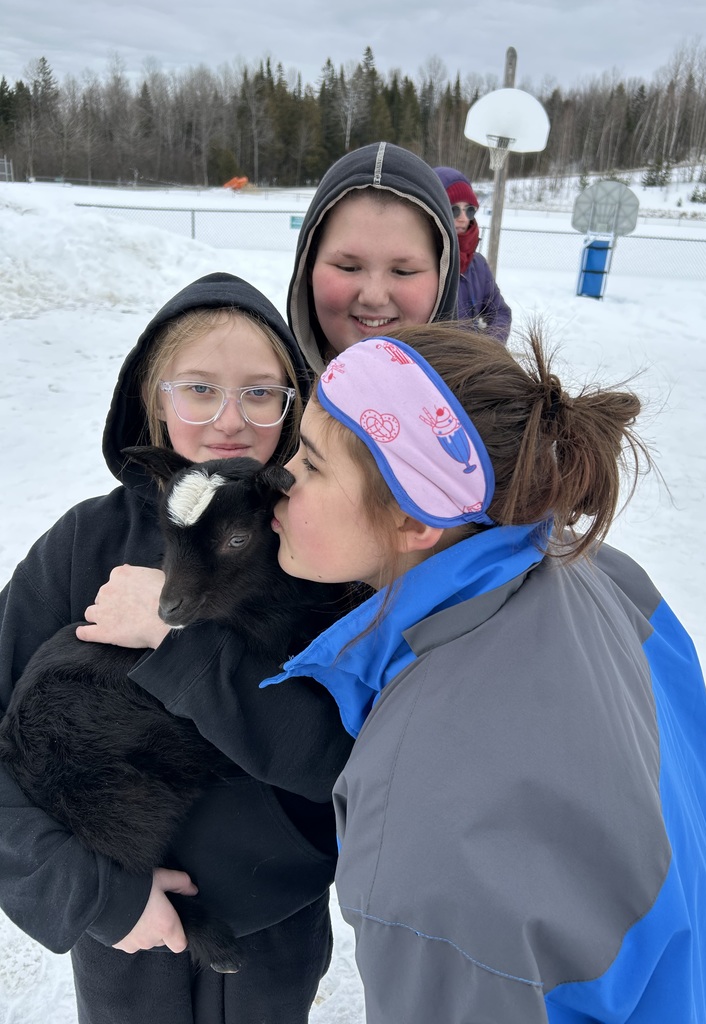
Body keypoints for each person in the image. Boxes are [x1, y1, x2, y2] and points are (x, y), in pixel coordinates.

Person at [265, 324, 706, 1023]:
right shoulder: (599, 578)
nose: (278, 474)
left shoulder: (426, 809)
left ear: (417, 520)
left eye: (312, 463)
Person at [0, 272, 354, 1024]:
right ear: (154, 399)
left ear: (297, 407)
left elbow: (341, 755)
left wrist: (173, 642)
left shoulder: (327, 555)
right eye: (198, 388)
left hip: (277, 923)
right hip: (122, 930)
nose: (230, 420)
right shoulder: (82, 546)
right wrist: (92, 892)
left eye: (261, 393)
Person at [287, 141, 460, 374]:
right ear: (309, 267)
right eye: (348, 267)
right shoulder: (260, 400)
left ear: (443, 277)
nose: (374, 297)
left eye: (403, 272)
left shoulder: (482, 409)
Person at [433, 165, 512, 343]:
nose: (463, 218)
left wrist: (489, 348)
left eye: (469, 210)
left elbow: (500, 312)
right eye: (454, 209)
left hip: (468, 364)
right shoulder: (419, 264)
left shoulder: (477, 265)